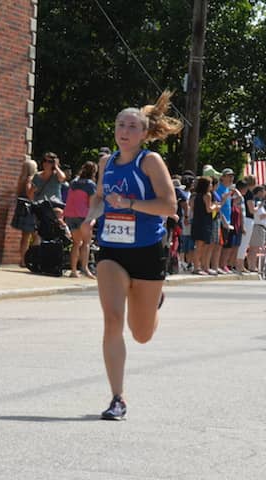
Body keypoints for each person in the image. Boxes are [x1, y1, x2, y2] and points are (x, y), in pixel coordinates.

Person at [81, 91, 182, 420]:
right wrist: (87, 220)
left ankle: (154, 304)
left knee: (142, 334)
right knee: (112, 319)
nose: (123, 131)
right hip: (112, 250)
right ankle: (117, 398)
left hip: (148, 252)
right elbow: (99, 198)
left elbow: (170, 207)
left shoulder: (150, 162)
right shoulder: (106, 163)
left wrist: (131, 205)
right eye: (119, 125)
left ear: (143, 133)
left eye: (131, 126)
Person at [64, 160, 98, 278]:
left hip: (70, 215)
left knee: (76, 243)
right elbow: (92, 204)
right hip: (83, 216)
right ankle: (84, 268)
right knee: (86, 243)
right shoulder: (90, 185)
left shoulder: (73, 182)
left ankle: (73, 271)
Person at [10, 159, 38, 267]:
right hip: (29, 208)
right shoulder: (30, 179)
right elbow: (29, 194)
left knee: (25, 237)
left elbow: (18, 193)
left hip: (21, 207)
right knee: (36, 235)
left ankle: (22, 260)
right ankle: (30, 259)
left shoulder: (21, 180)